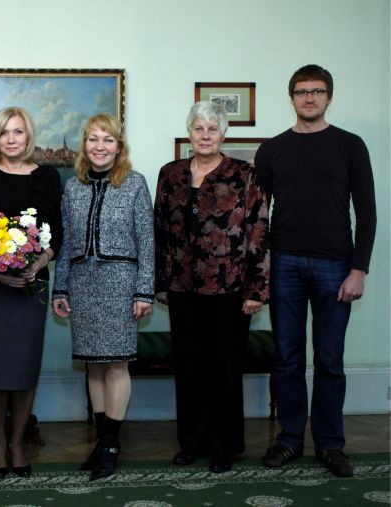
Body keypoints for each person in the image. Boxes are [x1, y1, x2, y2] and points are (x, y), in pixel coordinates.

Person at [256, 65, 376, 478]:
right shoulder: (272, 150)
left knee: (330, 360)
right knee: (287, 358)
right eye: (302, 91)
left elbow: (367, 212)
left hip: (336, 266)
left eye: (317, 91)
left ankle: (330, 444)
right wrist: (263, 262)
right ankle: (289, 439)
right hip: (284, 264)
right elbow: (259, 216)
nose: (309, 98)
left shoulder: (350, 146)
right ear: (291, 97)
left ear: (329, 97)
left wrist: (359, 270)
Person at [154, 101, 270, 473]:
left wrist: (257, 289)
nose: (205, 135)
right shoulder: (170, 173)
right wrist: (159, 281)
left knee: (224, 369)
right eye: (199, 128)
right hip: (182, 287)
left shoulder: (245, 175)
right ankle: (192, 443)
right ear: (189, 133)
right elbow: (160, 230)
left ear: (223, 134)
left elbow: (258, 231)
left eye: (213, 129)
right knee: (189, 367)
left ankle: (225, 446)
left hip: (229, 289)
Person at [52, 113, 154, 480]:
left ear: (119, 147)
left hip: (121, 283)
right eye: (93, 139)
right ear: (84, 145)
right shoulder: (73, 187)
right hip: (82, 284)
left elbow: (147, 241)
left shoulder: (135, 183)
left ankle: (111, 445)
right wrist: (60, 286)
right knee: (92, 364)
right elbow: (66, 242)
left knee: (116, 364)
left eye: (107, 140)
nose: (100, 146)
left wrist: (144, 290)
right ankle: (100, 441)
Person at [0, 107, 63, 478]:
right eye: (4, 132)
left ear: (28, 136)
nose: (11, 139)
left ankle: (18, 442)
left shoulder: (47, 176)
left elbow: (57, 231)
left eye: (18, 132)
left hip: (30, 287)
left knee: (23, 366)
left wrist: (41, 262)